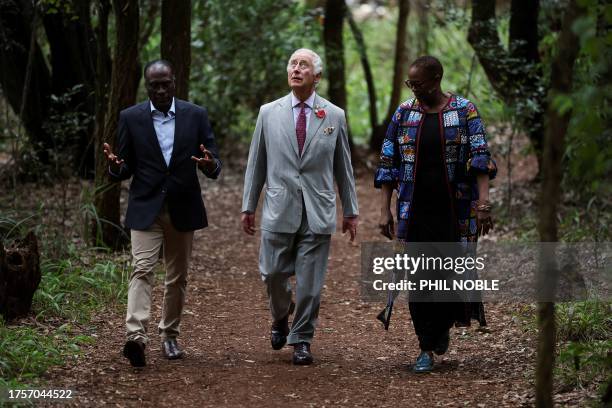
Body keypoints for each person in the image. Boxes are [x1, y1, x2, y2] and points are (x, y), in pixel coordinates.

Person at [375, 56, 496, 373]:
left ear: (437, 78)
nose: (414, 89)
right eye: (410, 84)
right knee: (418, 278)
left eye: (419, 84)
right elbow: (389, 162)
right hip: (413, 211)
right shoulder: (405, 113)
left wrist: (483, 204)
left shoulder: (464, 111)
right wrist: (385, 210)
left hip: (453, 212)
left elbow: (480, 157)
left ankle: (441, 327)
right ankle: (425, 346)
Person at [241, 48, 359, 365]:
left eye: (303, 65)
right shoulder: (268, 112)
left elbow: (343, 167)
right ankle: (281, 315)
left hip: (317, 210)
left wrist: (350, 210)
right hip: (279, 207)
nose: (296, 69)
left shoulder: (334, 115)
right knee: (272, 274)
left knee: (310, 285)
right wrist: (248, 205)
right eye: (293, 64)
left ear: (316, 76)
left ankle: (302, 338)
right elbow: (257, 163)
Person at [103, 59, 221, 367]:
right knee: (141, 269)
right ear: (147, 87)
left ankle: (169, 335)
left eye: (165, 83)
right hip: (146, 207)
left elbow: (213, 161)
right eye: (153, 85)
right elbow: (124, 165)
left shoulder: (196, 115)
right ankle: (135, 339)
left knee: (176, 276)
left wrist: (210, 164)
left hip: (183, 206)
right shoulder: (130, 118)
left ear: (174, 82)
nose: (160, 90)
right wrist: (116, 167)